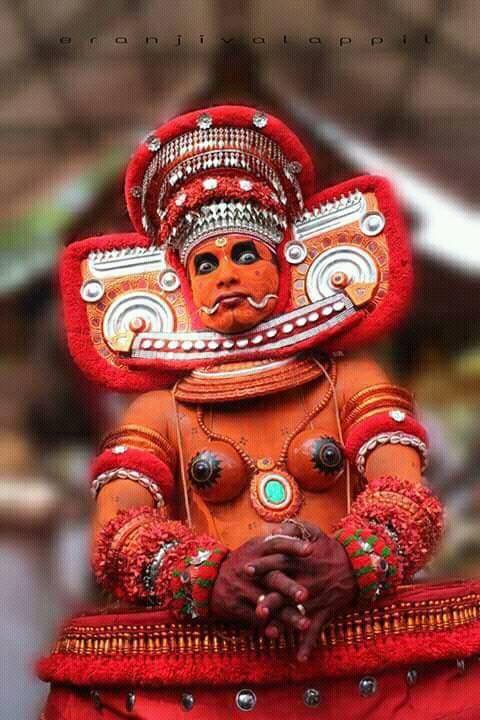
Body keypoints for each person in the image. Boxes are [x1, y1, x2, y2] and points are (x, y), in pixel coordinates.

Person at [38, 105, 480, 719]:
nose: (226, 275)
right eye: (206, 263)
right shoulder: (158, 411)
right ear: (184, 289)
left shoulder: (351, 379)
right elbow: (118, 535)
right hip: (217, 642)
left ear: (287, 263)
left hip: (354, 629)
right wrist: (209, 578)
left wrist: (349, 564)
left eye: (246, 254)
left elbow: (405, 496)